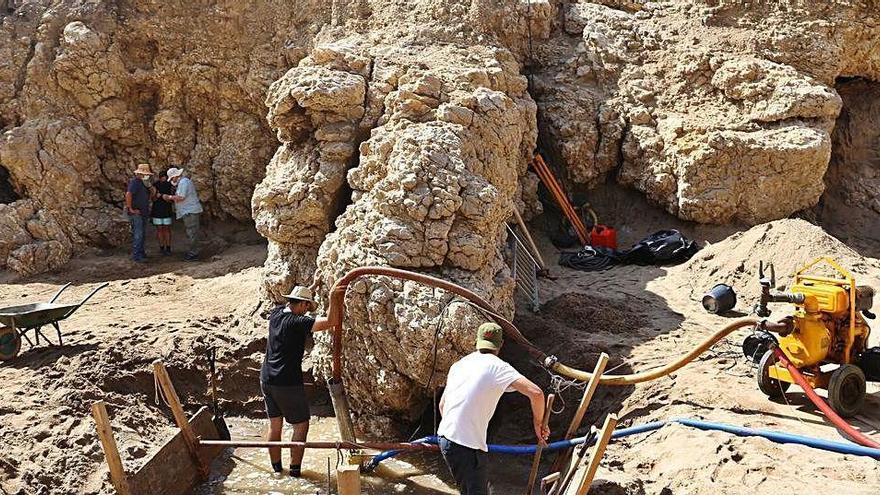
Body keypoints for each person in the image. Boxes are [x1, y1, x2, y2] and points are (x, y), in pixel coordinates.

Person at [437, 322, 548, 495]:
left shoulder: (459, 364)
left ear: (477, 342)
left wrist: (458, 429)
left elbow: (442, 405)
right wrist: (539, 423)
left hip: (446, 438)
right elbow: (537, 393)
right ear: (501, 345)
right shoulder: (498, 367)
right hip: (466, 445)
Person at [261, 285, 333, 477]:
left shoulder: (276, 314)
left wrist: (312, 288)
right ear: (301, 304)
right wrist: (335, 295)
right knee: (301, 425)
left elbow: (293, 302)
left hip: (267, 377)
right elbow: (331, 321)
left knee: (275, 425)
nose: (307, 310)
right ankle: (295, 473)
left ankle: (276, 470)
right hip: (287, 382)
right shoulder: (298, 322)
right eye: (307, 306)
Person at [160, 167, 203, 261]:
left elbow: (181, 197)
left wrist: (169, 197)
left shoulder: (184, 182)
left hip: (190, 211)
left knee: (192, 233)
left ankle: (193, 254)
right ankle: (193, 252)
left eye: (171, 178)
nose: (171, 180)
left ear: (175, 176)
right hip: (188, 211)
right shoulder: (183, 182)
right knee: (191, 232)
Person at [125, 163, 154, 262]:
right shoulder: (135, 182)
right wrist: (130, 208)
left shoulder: (144, 184)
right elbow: (128, 194)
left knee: (142, 234)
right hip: (136, 213)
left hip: (143, 212)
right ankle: (136, 255)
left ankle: (141, 253)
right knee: (138, 234)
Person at [150, 170, 174, 255]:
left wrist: (164, 196)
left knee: (165, 229)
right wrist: (157, 196)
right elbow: (152, 198)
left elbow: (172, 199)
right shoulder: (155, 185)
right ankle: (162, 248)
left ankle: (167, 248)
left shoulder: (169, 185)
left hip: (164, 210)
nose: (164, 178)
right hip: (158, 210)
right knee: (160, 229)